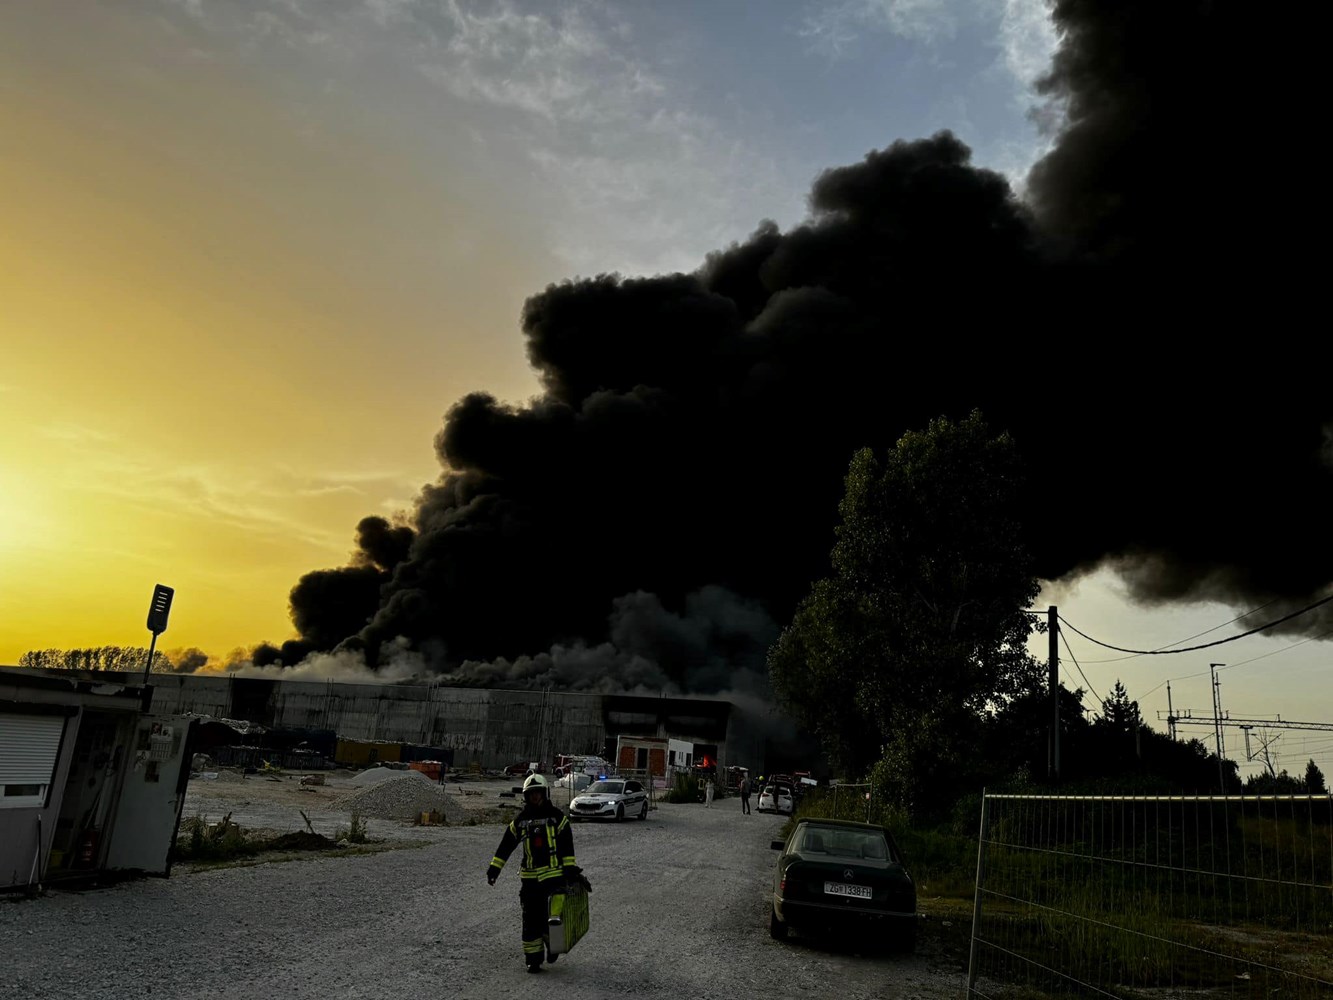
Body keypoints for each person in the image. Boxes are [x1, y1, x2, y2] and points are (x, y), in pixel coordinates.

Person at [487, 773, 577, 974]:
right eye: (531, 794)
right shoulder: (521, 821)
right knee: (530, 921)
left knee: (554, 916)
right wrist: (494, 869)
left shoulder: (557, 817)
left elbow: (567, 845)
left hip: (554, 876)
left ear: (544, 794)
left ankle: (554, 944)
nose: (535, 797)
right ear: (526, 796)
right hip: (530, 879)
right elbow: (506, 846)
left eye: (538, 793)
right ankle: (533, 960)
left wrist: (570, 868)